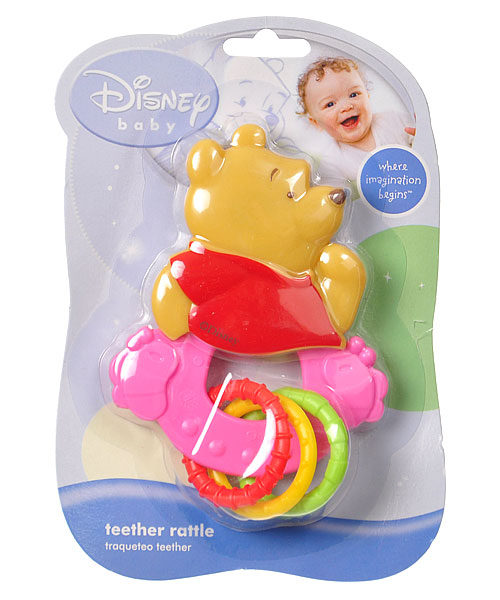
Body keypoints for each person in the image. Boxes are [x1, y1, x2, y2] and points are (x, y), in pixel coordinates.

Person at [297, 57, 415, 182]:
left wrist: (420, 135)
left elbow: (423, 145)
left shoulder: (395, 121)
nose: (346, 106)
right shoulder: (332, 164)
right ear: (316, 123)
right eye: (330, 104)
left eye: (353, 95)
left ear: (367, 95)